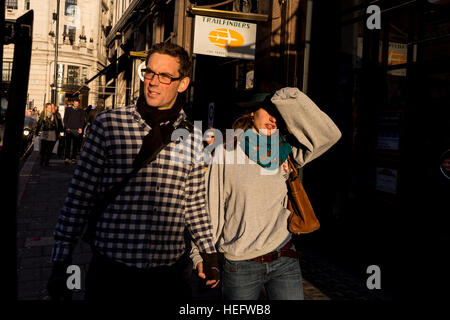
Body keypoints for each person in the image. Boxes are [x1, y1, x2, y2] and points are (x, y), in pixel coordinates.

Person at [47, 42, 219, 301]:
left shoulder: (193, 136)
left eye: (164, 76)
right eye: (149, 73)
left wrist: (209, 254)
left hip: (169, 276)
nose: (152, 82)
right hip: (112, 272)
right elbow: (79, 197)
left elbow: (194, 203)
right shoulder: (109, 125)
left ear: (182, 84)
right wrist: (61, 264)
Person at [190, 87, 342, 300]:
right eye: (269, 110)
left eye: (279, 114)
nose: (274, 118)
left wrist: (291, 98)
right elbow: (209, 208)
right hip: (240, 265)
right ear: (252, 112)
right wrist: (201, 254)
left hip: (284, 257)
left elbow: (330, 135)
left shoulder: (285, 150)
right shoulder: (226, 151)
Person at [63, 98, 85, 164]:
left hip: (76, 130)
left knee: (75, 145)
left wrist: (81, 128)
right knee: (68, 145)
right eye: (75, 102)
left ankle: (73, 158)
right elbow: (65, 119)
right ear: (73, 103)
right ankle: (67, 158)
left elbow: (82, 121)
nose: (76, 104)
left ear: (78, 104)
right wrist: (67, 127)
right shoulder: (68, 109)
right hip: (69, 129)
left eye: (77, 103)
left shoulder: (81, 111)